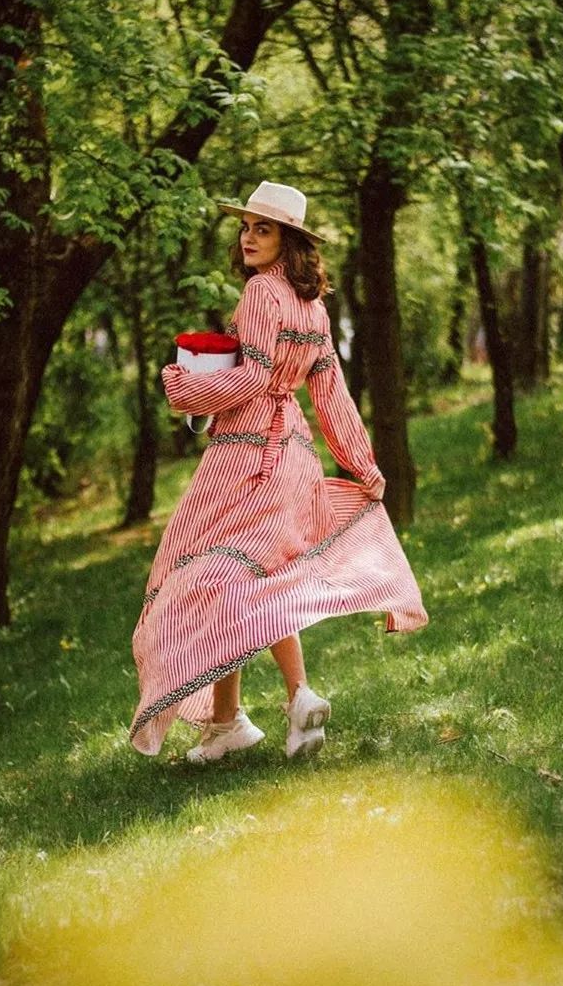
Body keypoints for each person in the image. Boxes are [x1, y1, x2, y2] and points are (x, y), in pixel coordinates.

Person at [130, 181, 428, 762]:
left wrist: (186, 388)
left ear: (289, 243)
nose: (248, 238)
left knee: (200, 578)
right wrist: (361, 461)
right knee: (245, 582)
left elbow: (256, 378)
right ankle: (229, 720)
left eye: (262, 229)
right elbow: (332, 393)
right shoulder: (313, 309)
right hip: (293, 450)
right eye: (245, 227)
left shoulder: (262, 295)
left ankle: (282, 701)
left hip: (247, 457)